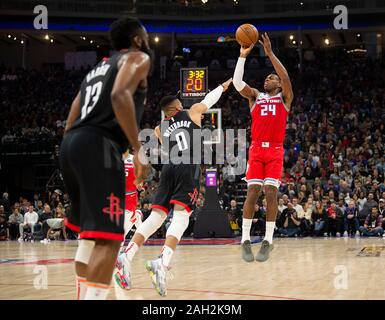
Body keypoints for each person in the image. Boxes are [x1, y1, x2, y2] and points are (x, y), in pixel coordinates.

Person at [60, 16, 151, 300]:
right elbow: (120, 94)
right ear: (136, 40)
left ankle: (81, 294)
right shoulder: (138, 58)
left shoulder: (97, 69)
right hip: (99, 146)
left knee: (88, 237)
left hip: (71, 144)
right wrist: (138, 149)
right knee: (110, 242)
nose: (147, 41)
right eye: (145, 36)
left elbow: (72, 115)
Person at [114, 78, 232, 296]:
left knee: (156, 217)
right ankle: (162, 261)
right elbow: (209, 99)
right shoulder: (192, 111)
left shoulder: (159, 129)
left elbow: (167, 150)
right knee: (181, 217)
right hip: (188, 167)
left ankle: (126, 255)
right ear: (177, 106)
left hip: (169, 168)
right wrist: (222, 87)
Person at [232, 33, 293, 262]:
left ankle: (268, 240)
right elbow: (238, 84)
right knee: (252, 192)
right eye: (267, 77)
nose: (267, 79)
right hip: (256, 150)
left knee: (271, 192)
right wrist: (242, 57)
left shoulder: (285, 98)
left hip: (275, 150)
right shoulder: (255, 96)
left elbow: (286, 78)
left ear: (278, 84)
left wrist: (269, 54)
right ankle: (245, 240)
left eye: (271, 78)